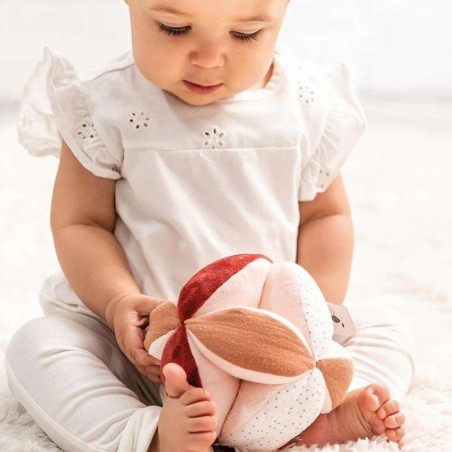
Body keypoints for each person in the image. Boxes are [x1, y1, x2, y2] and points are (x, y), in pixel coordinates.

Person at [5, 0, 415, 451]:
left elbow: (326, 217)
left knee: (384, 326)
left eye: (245, 35)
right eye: (174, 28)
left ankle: (311, 410)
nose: (208, 58)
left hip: (277, 357)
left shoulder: (305, 106)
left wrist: (313, 321)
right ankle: (149, 432)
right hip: (148, 353)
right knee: (38, 344)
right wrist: (117, 301)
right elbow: (81, 224)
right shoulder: (103, 106)